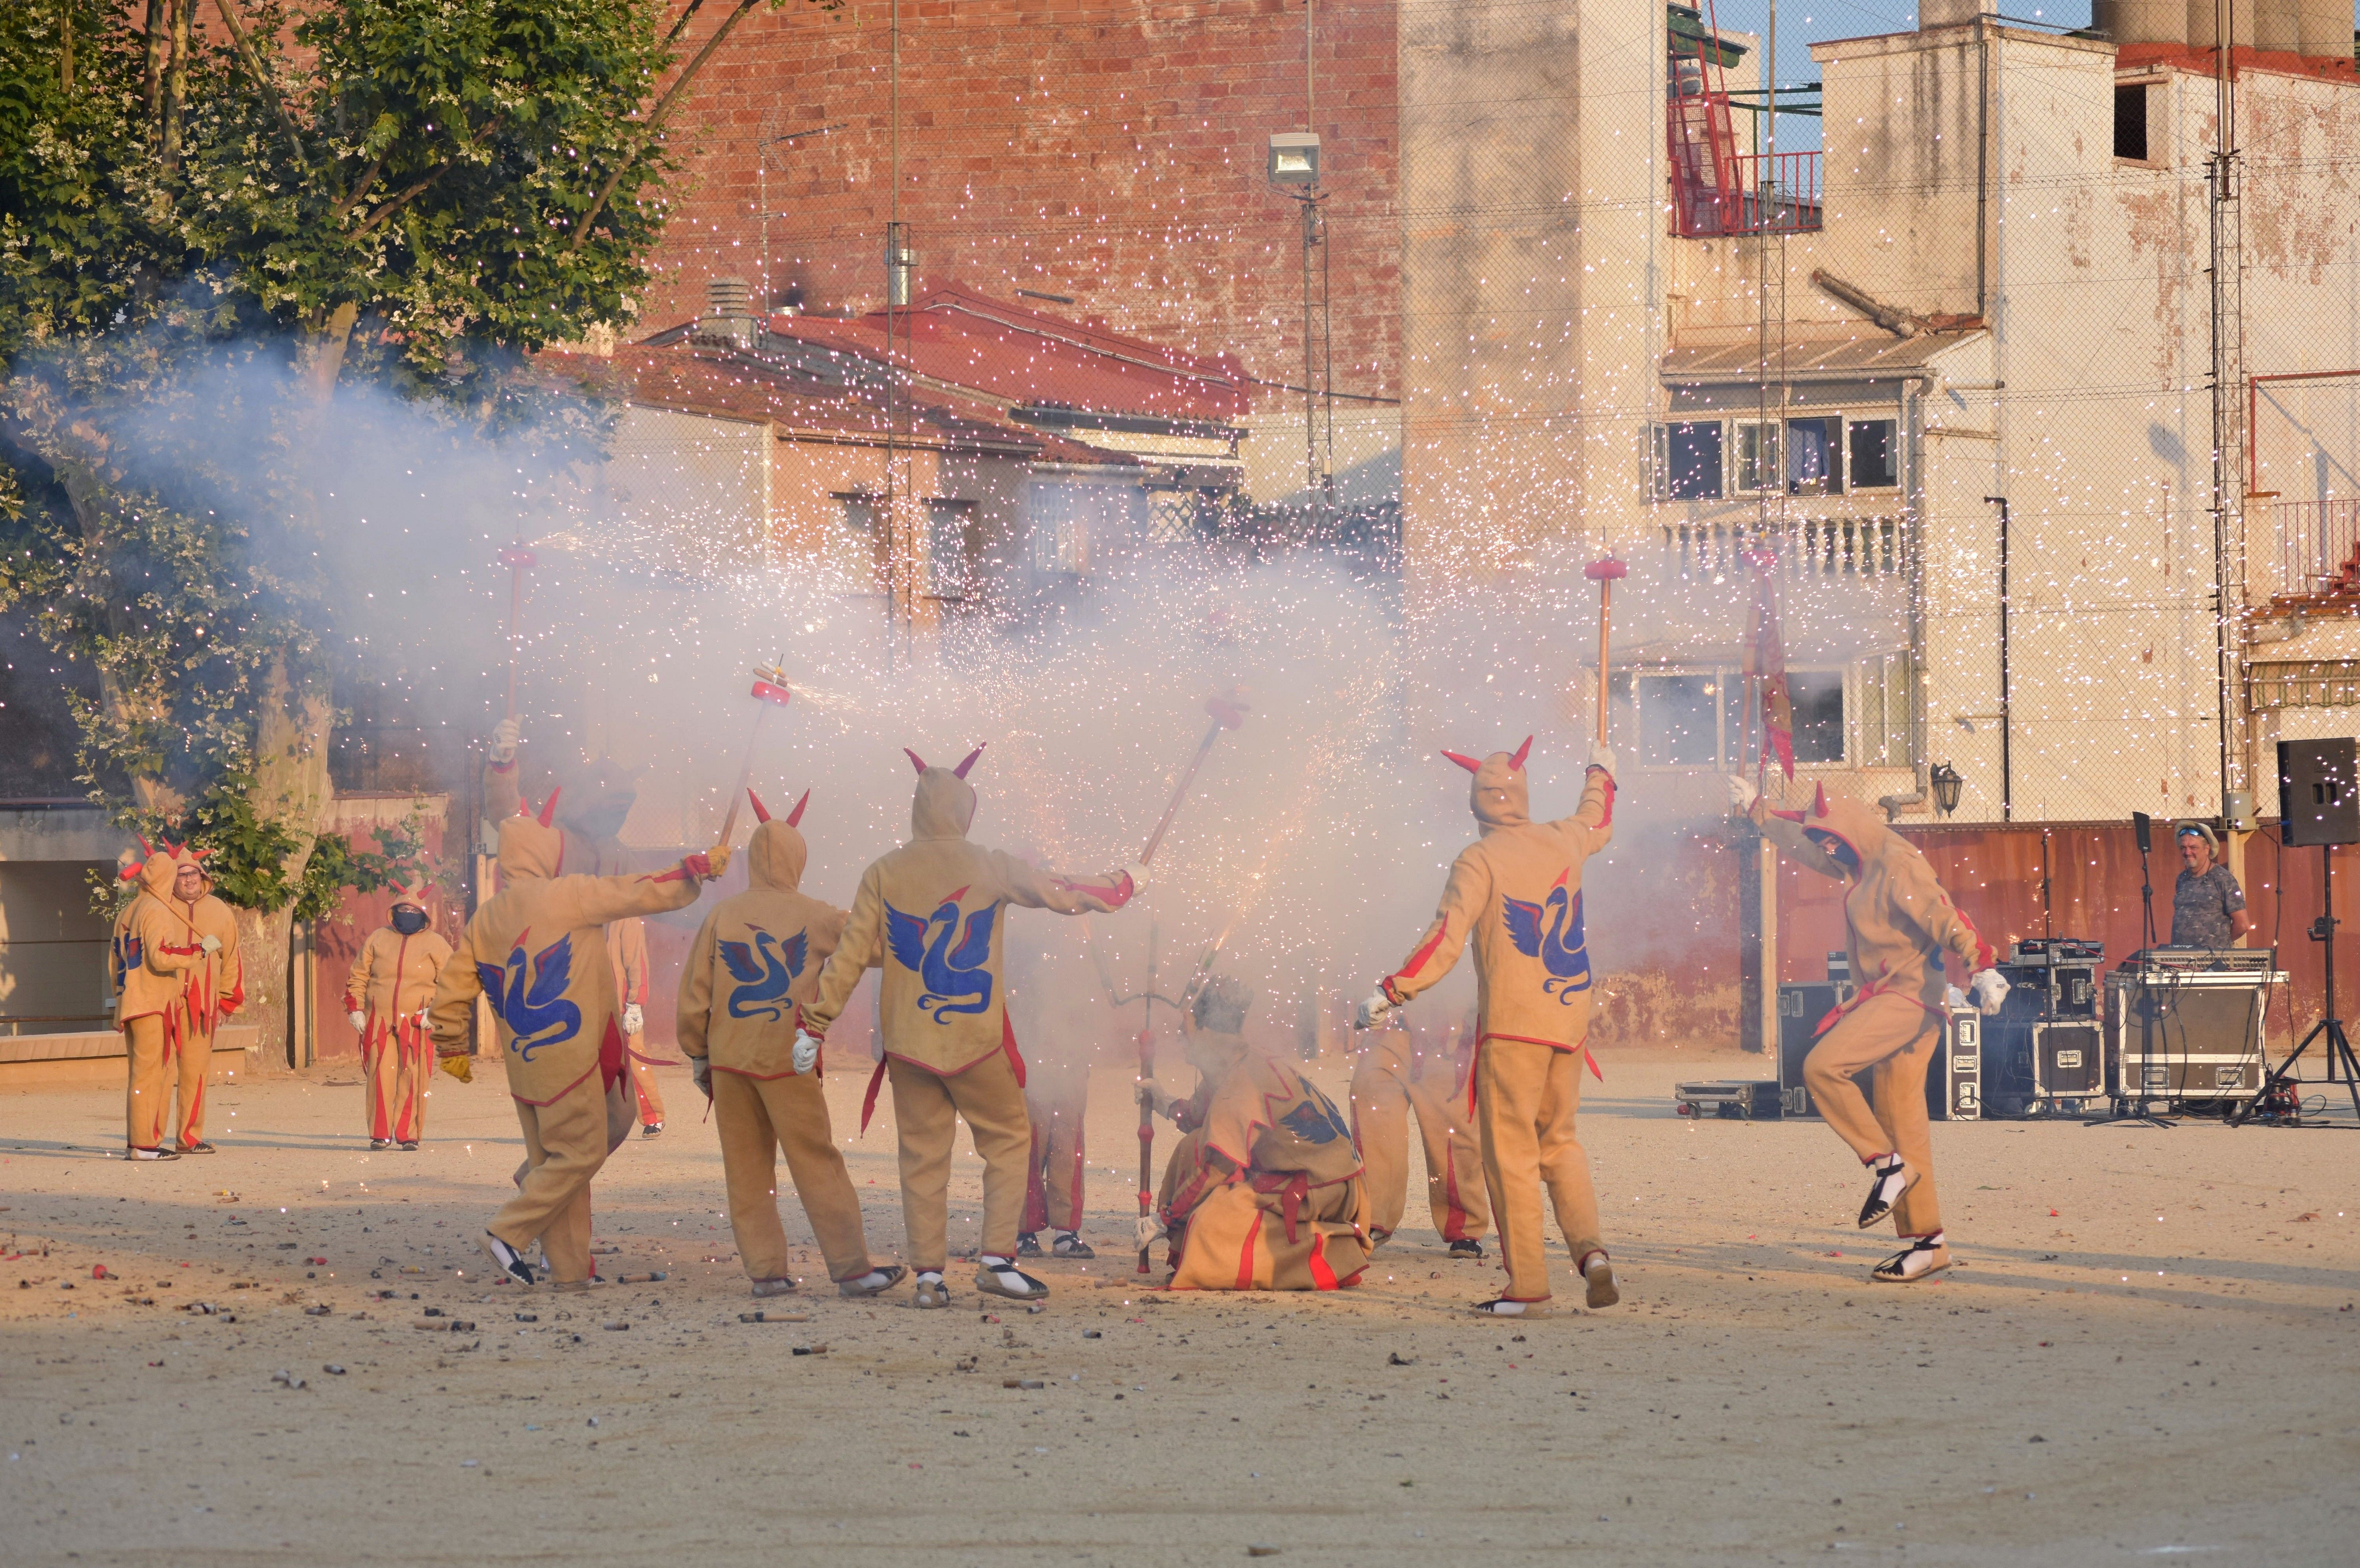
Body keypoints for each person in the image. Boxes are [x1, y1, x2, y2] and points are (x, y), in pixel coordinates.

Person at [795, 744, 1146, 1308]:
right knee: (1009, 1139)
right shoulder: (988, 862)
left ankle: (930, 1278)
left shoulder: (883, 871)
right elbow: (1062, 892)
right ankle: (996, 1261)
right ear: (964, 811)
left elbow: (850, 956)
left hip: (909, 1044)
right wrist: (1122, 884)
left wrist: (814, 1026)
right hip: (975, 1041)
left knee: (922, 1158)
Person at [1357, 736, 1618, 1317]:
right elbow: (1597, 816)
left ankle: (1528, 1289)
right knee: (1561, 1143)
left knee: (1514, 1160)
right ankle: (1592, 1253)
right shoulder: (1564, 837)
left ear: (1479, 805)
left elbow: (1446, 938)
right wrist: (1601, 768)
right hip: (1571, 1022)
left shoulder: (1480, 860)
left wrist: (1391, 990)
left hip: (1514, 1031)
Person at [428, 789, 728, 1290]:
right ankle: (507, 1230)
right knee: (580, 1154)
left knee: (604, 1125)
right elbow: (638, 889)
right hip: (570, 1055)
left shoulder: (485, 918)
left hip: (528, 1063)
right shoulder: (565, 894)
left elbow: (452, 990)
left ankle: (565, 1263)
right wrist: (693, 869)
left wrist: (452, 1044)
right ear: (547, 852)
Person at [1733, 776, 2010, 1283]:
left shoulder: (1896, 861)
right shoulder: (1855, 854)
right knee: (1902, 1121)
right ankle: (1928, 1245)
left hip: (1907, 997)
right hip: (1901, 996)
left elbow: (1942, 913)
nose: (1829, 849)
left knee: (1820, 1066)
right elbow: (1810, 851)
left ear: (1852, 826)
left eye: (1832, 837)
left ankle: (1885, 1166)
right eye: (1824, 840)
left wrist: (1982, 963)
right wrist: (1759, 812)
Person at [676, 788, 904, 1300]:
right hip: (786, 1058)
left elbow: (695, 994)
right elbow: (873, 948)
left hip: (729, 1062)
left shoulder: (722, 916)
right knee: (816, 1162)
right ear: (798, 858)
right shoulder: (815, 914)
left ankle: (766, 1273)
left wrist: (697, 1053)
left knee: (747, 1172)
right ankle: (851, 1270)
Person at [1148, 975, 1372, 1291]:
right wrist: (1163, 1101)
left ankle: (1333, 1251)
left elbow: (1218, 1167)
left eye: (1187, 1029)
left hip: (1323, 1188)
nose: (1180, 1037)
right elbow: (1199, 1116)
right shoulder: (1236, 1062)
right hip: (1311, 1176)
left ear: (1205, 1034)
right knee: (1191, 1147)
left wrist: (1166, 1217)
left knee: (1212, 1222)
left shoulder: (1242, 1080)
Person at [1350, 1005, 1490, 1256]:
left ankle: (1464, 1226)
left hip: (1451, 1035)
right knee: (1374, 1117)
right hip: (1389, 1028)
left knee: (1454, 1132)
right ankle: (1373, 1219)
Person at [110, 843, 216, 1160]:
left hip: (133, 1001)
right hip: (152, 1003)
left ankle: (141, 1142)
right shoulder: (156, 909)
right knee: (151, 1074)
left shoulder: (127, 911)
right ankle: (143, 1145)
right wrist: (199, 950)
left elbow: (115, 963)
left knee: (142, 1074)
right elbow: (161, 955)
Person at [345, 878, 453, 1150]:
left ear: (424, 915)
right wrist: (355, 1008)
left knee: (414, 1076)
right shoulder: (378, 938)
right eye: (404, 911)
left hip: (417, 1021)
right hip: (378, 1019)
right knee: (379, 1075)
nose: (409, 916)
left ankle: (409, 1134)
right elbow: (358, 974)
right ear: (395, 911)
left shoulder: (437, 944)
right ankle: (380, 1133)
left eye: (415, 913)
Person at [176, 855, 243, 1154]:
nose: (189, 880)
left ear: (202, 876)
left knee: (195, 1072)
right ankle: (147, 1140)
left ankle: (189, 1137)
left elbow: (231, 958)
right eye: (182, 875)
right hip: (164, 1000)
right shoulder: (159, 906)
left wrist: (227, 1001)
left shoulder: (220, 910)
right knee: (159, 1075)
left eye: (194, 873)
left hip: (202, 1004)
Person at [1018, 1048, 1094, 1260]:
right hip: (1029, 1053)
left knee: (1068, 1149)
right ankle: (1022, 1229)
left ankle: (1065, 1231)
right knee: (1029, 1145)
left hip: (1072, 1054)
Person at [607, 915, 666, 1136]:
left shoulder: (626, 919)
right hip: (590, 1006)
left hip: (621, 1005)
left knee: (634, 1059)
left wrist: (635, 1004)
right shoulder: (585, 917)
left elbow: (636, 963)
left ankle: (653, 1117)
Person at [2170, 822, 2250, 949]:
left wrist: (2218, 946)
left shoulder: (2222, 878)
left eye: (2193, 847)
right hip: (2180, 961)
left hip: (2211, 963)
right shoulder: (2182, 878)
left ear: (2207, 849)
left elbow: (2243, 925)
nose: (2187, 852)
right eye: (2183, 848)